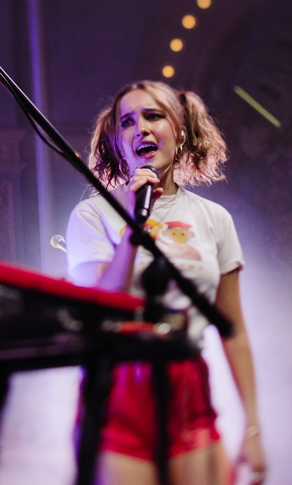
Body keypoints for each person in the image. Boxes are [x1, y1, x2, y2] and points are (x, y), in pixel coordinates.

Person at [64, 80, 266, 485]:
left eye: (153, 116)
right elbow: (99, 306)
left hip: (188, 381)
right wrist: (132, 228)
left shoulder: (215, 219)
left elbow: (234, 331)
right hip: (120, 385)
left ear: (181, 131)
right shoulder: (93, 215)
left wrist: (252, 428)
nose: (140, 128)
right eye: (127, 122)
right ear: (118, 143)